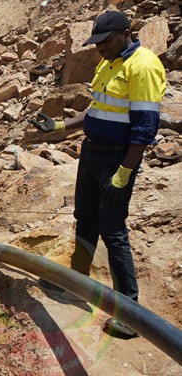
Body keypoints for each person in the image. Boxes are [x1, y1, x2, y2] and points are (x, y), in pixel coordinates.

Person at [30, 10, 166, 338]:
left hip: (116, 160)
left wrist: (124, 172)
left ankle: (130, 313)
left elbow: (145, 129)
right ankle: (75, 284)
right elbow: (97, 110)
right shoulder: (109, 62)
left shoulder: (143, 66)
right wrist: (61, 125)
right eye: (95, 43)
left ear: (126, 32)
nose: (98, 48)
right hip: (92, 153)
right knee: (85, 219)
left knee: (112, 230)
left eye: (104, 42)